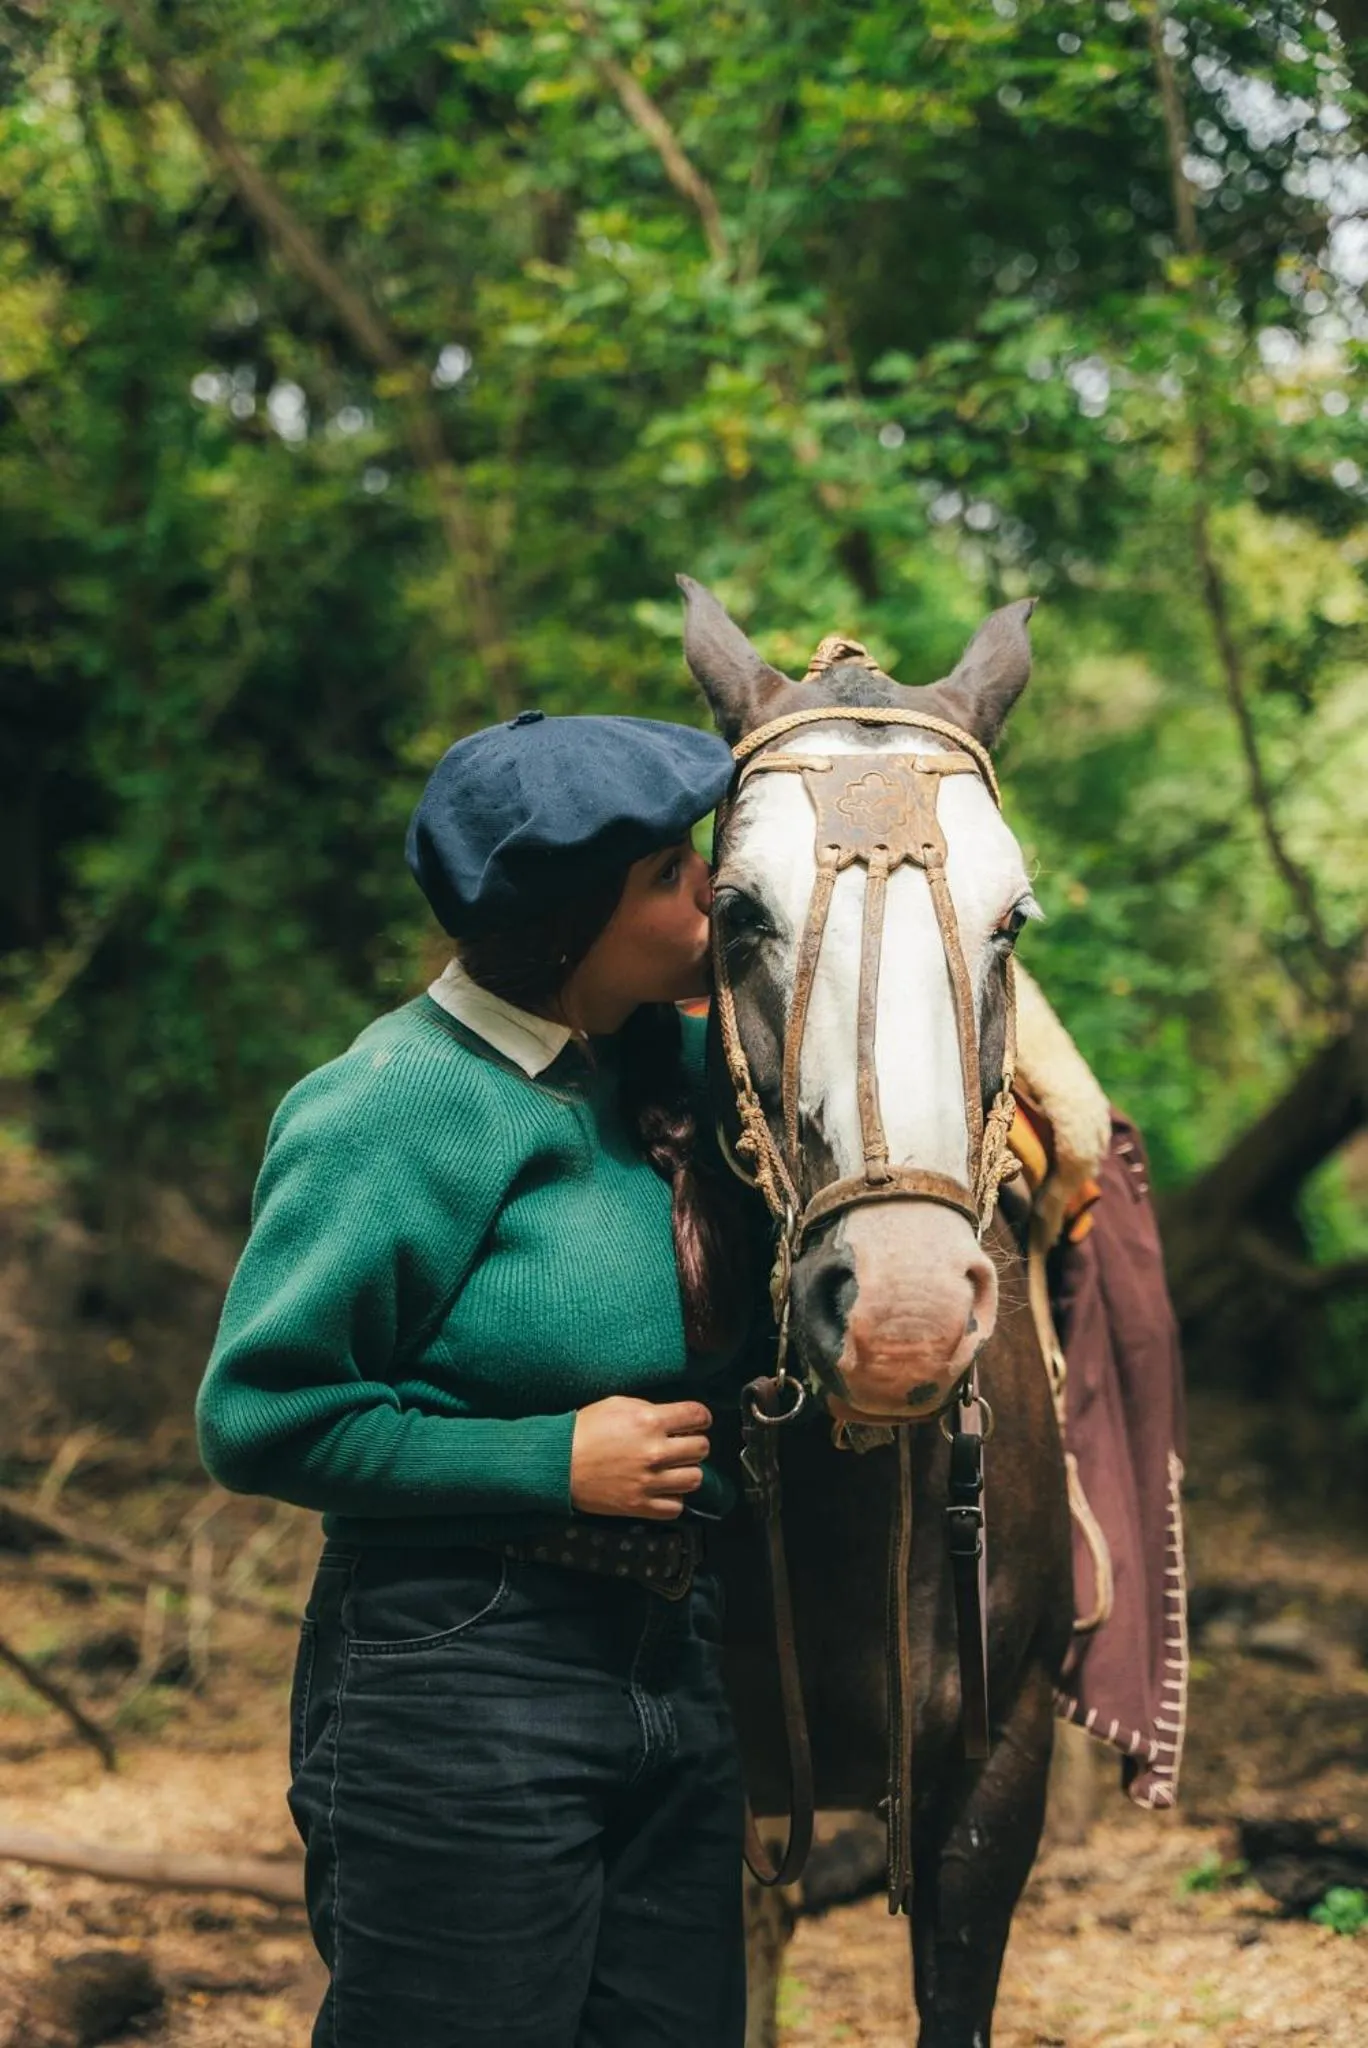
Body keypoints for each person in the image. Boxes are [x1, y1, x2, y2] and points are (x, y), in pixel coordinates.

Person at [195, 708, 759, 2048]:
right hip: (457, 1672)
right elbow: (259, 1419)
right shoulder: (394, 1104)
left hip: (672, 1664)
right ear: (573, 922)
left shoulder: (655, 1063)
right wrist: (548, 1459)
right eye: (669, 875)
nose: (709, 888)